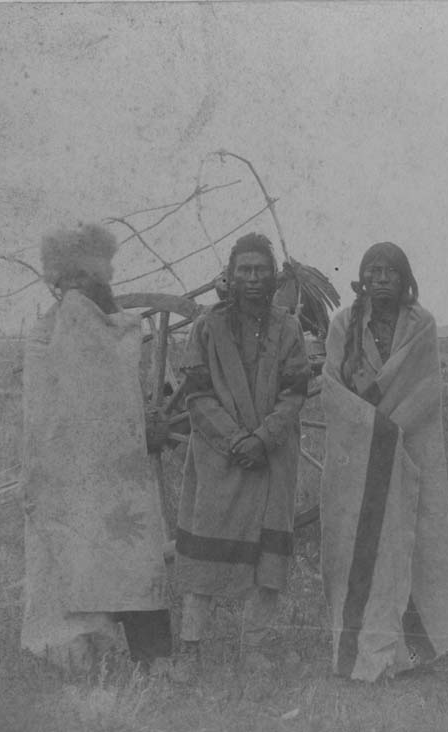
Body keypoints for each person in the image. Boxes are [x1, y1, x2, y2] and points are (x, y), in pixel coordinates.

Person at [20, 223, 172, 674]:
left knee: (135, 556)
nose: (76, 292)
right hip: (71, 476)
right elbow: (42, 414)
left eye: (86, 280)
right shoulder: (44, 335)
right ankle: (87, 659)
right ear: (56, 281)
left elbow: (124, 391)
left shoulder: (116, 328)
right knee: (80, 562)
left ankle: (154, 657)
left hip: (120, 473)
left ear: (101, 279)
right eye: (68, 281)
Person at [320, 242, 448, 681]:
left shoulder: (423, 325)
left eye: (391, 272)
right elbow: (332, 385)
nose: (381, 278)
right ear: (362, 277)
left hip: (410, 447)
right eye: (373, 270)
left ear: (405, 279)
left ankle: (416, 653)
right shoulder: (343, 324)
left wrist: (388, 433)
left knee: (417, 543)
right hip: (357, 454)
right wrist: (371, 430)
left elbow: (424, 387)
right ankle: (364, 650)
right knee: (357, 546)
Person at [174, 232, 310, 672]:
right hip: (219, 457)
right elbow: (197, 394)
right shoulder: (206, 328)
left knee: (268, 556)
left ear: (273, 277)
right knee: (205, 555)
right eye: (243, 270)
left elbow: (295, 391)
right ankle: (191, 648)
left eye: (260, 270)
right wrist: (236, 440)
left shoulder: (288, 328)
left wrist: (263, 438)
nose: (252, 278)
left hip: (271, 457)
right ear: (229, 278)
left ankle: (255, 644)